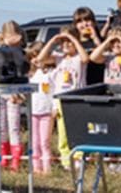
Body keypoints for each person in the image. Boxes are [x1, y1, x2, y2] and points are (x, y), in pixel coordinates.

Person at [38, 26, 88, 169]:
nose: (65, 45)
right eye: (63, 42)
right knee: (63, 132)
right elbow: (40, 58)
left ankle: (78, 157)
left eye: (69, 42)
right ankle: (66, 159)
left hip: (76, 99)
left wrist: (72, 38)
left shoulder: (78, 58)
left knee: (77, 129)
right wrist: (53, 40)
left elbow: (85, 58)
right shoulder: (58, 57)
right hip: (60, 100)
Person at [0, 21, 26, 171]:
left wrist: (14, 48)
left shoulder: (20, 52)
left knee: (13, 126)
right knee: (0, 126)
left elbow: (21, 69)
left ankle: (15, 159)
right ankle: (3, 156)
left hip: (14, 91)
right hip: (0, 91)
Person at [27, 42, 56, 174]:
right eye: (33, 56)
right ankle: (36, 167)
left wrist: (54, 107)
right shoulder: (31, 75)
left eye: (38, 55)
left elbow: (55, 91)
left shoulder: (51, 73)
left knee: (45, 141)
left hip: (46, 111)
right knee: (34, 141)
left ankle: (47, 168)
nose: (36, 59)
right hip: (33, 111)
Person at [74, 6, 104, 85]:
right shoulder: (74, 44)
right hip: (78, 86)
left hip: (97, 84)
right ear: (76, 25)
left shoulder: (102, 41)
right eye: (79, 21)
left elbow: (105, 57)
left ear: (93, 22)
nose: (84, 24)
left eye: (87, 20)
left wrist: (95, 38)